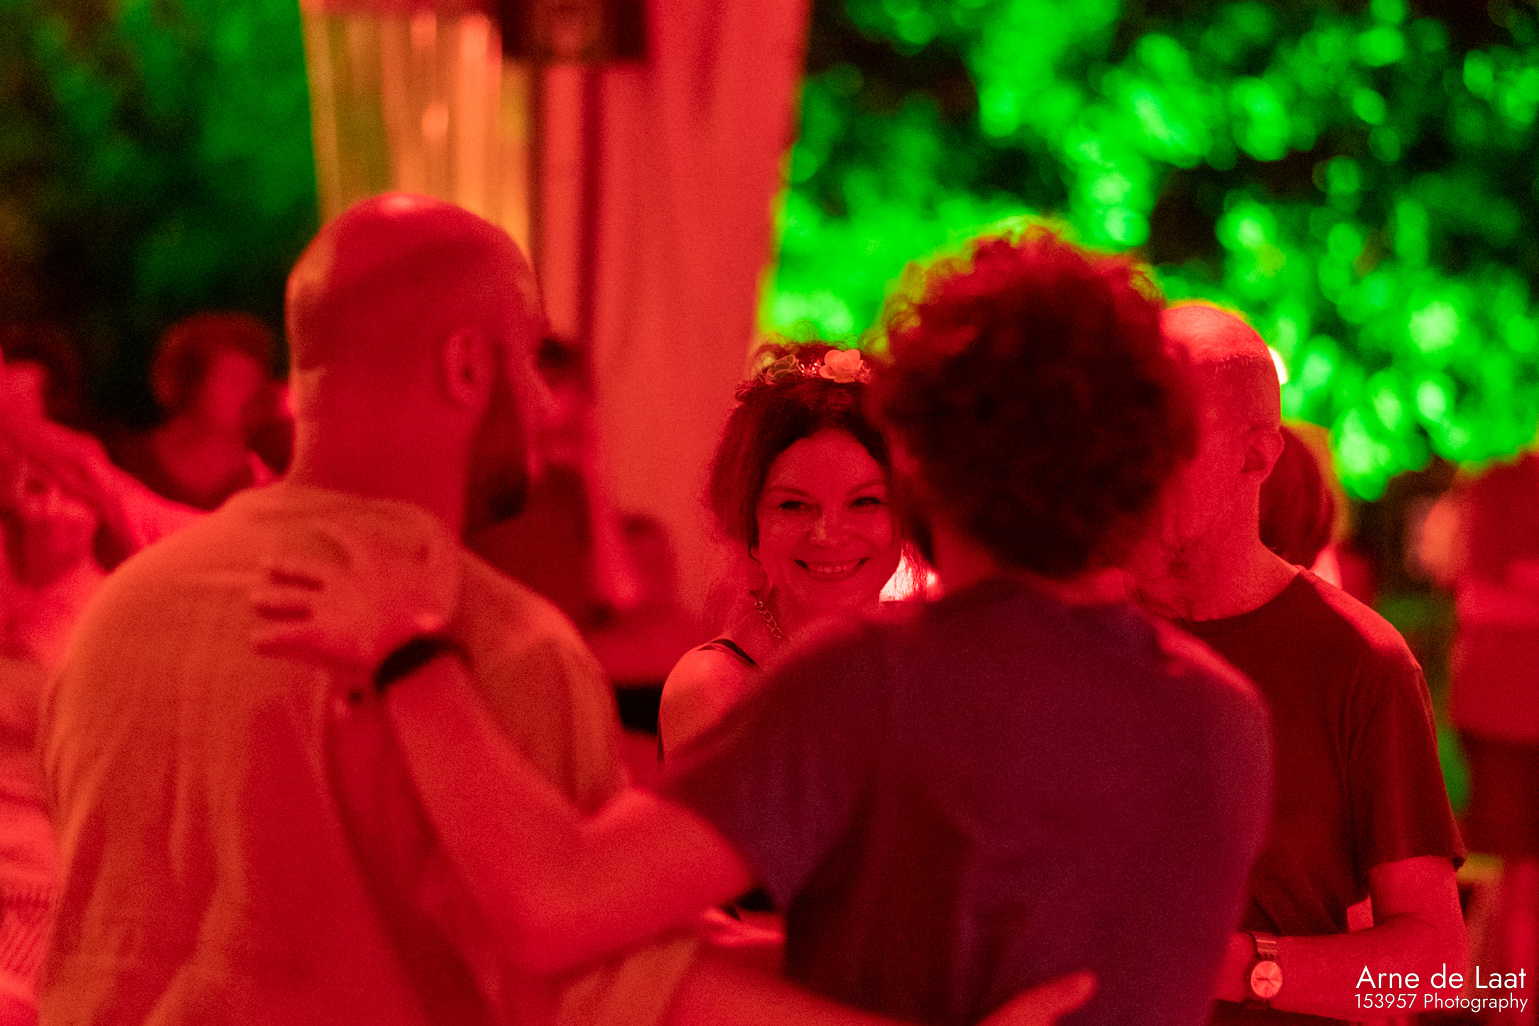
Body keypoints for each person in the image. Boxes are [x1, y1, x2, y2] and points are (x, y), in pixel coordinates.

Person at [41, 193, 1089, 1026]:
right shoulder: (486, 644)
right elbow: (614, 985)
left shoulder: (123, 611)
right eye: (531, 359)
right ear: (468, 366)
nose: (545, 405)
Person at [257, 226, 1272, 1026]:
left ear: (916, 456)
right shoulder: (1225, 718)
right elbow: (950, 951)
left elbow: (549, 909)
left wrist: (409, 649)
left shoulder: (875, 678)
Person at [1126, 302, 1468, 1024]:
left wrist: (1236, 967)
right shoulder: (1068, 634)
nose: (1136, 462)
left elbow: (1436, 972)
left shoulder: (1361, 661)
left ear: (1257, 455)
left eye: (1171, 435)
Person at [659, 341, 906, 757]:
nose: (828, 535)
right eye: (794, 505)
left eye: (864, 501)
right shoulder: (714, 687)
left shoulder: (926, 663)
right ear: (749, 523)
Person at [1422, 453, 1539, 1026]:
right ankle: (1504, 1001)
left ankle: (1490, 996)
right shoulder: (1501, 482)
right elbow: (1478, 592)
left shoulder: (1494, 481)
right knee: (1517, 869)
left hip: (1498, 706)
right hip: (1505, 711)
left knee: (1515, 872)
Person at [110, 312, 281, 510]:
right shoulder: (122, 465)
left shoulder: (259, 489)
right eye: (233, 380)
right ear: (189, 384)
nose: (250, 394)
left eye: (254, 381)